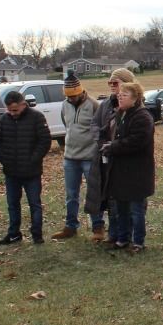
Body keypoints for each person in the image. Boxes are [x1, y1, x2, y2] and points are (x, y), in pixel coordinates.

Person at [101, 81, 155, 251]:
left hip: (137, 171)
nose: (120, 97)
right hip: (119, 170)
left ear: (135, 98)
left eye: (124, 95)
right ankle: (122, 238)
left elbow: (137, 141)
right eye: (119, 94)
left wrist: (113, 146)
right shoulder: (119, 114)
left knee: (136, 209)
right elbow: (105, 132)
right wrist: (103, 143)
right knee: (121, 208)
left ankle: (138, 242)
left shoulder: (142, 116)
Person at [84, 68, 135, 243]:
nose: (112, 86)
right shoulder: (105, 104)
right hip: (104, 159)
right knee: (109, 198)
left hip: (124, 160)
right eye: (110, 83)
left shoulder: (134, 105)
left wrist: (114, 145)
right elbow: (95, 124)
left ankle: (127, 235)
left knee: (125, 200)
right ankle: (113, 234)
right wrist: (101, 142)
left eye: (116, 83)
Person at [0, 90, 51, 245]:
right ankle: (14, 233)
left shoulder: (36, 117)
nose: (12, 113)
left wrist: (33, 159)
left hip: (31, 171)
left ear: (23, 104)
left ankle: (37, 234)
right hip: (11, 171)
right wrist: (3, 159)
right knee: (13, 204)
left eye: (15, 110)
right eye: (9, 110)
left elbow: (45, 141)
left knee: (34, 203)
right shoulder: (4, 120)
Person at [53, 71, 100, 240]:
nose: (71, 99)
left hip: (89, 157)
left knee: (93, 193)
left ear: (81, 91)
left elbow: (99, 130)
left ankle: (97, 227)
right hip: (70, 157)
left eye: (74, 96)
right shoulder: (65, 105)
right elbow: (67, 125)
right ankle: (70, 226)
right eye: (68, 96)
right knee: (71, 194)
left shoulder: (93, 105)